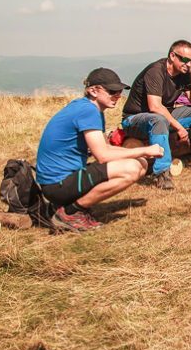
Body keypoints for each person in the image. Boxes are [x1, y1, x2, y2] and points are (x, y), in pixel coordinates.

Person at [35, 68, 164, 232]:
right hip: (57, 185)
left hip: (59, 181)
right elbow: (103, 155)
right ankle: (71, 213)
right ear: (93, 91)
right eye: (112, 91)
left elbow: (106, 148)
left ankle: (71, 207)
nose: (118, 95)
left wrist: (140, 154)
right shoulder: (88, 111)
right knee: (132, 168)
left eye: (119, 91)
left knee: (140, 164)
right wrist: (145, 151)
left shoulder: (90, 109)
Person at [121, 40, 191, 190]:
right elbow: (155, 106)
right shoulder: (156, 71)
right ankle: (162, 173)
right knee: (158, 119)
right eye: (185, 59)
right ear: (172, 56)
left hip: (164, 115)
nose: (188, 64)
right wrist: (179, 127)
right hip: (134, 119)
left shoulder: (185, 73)